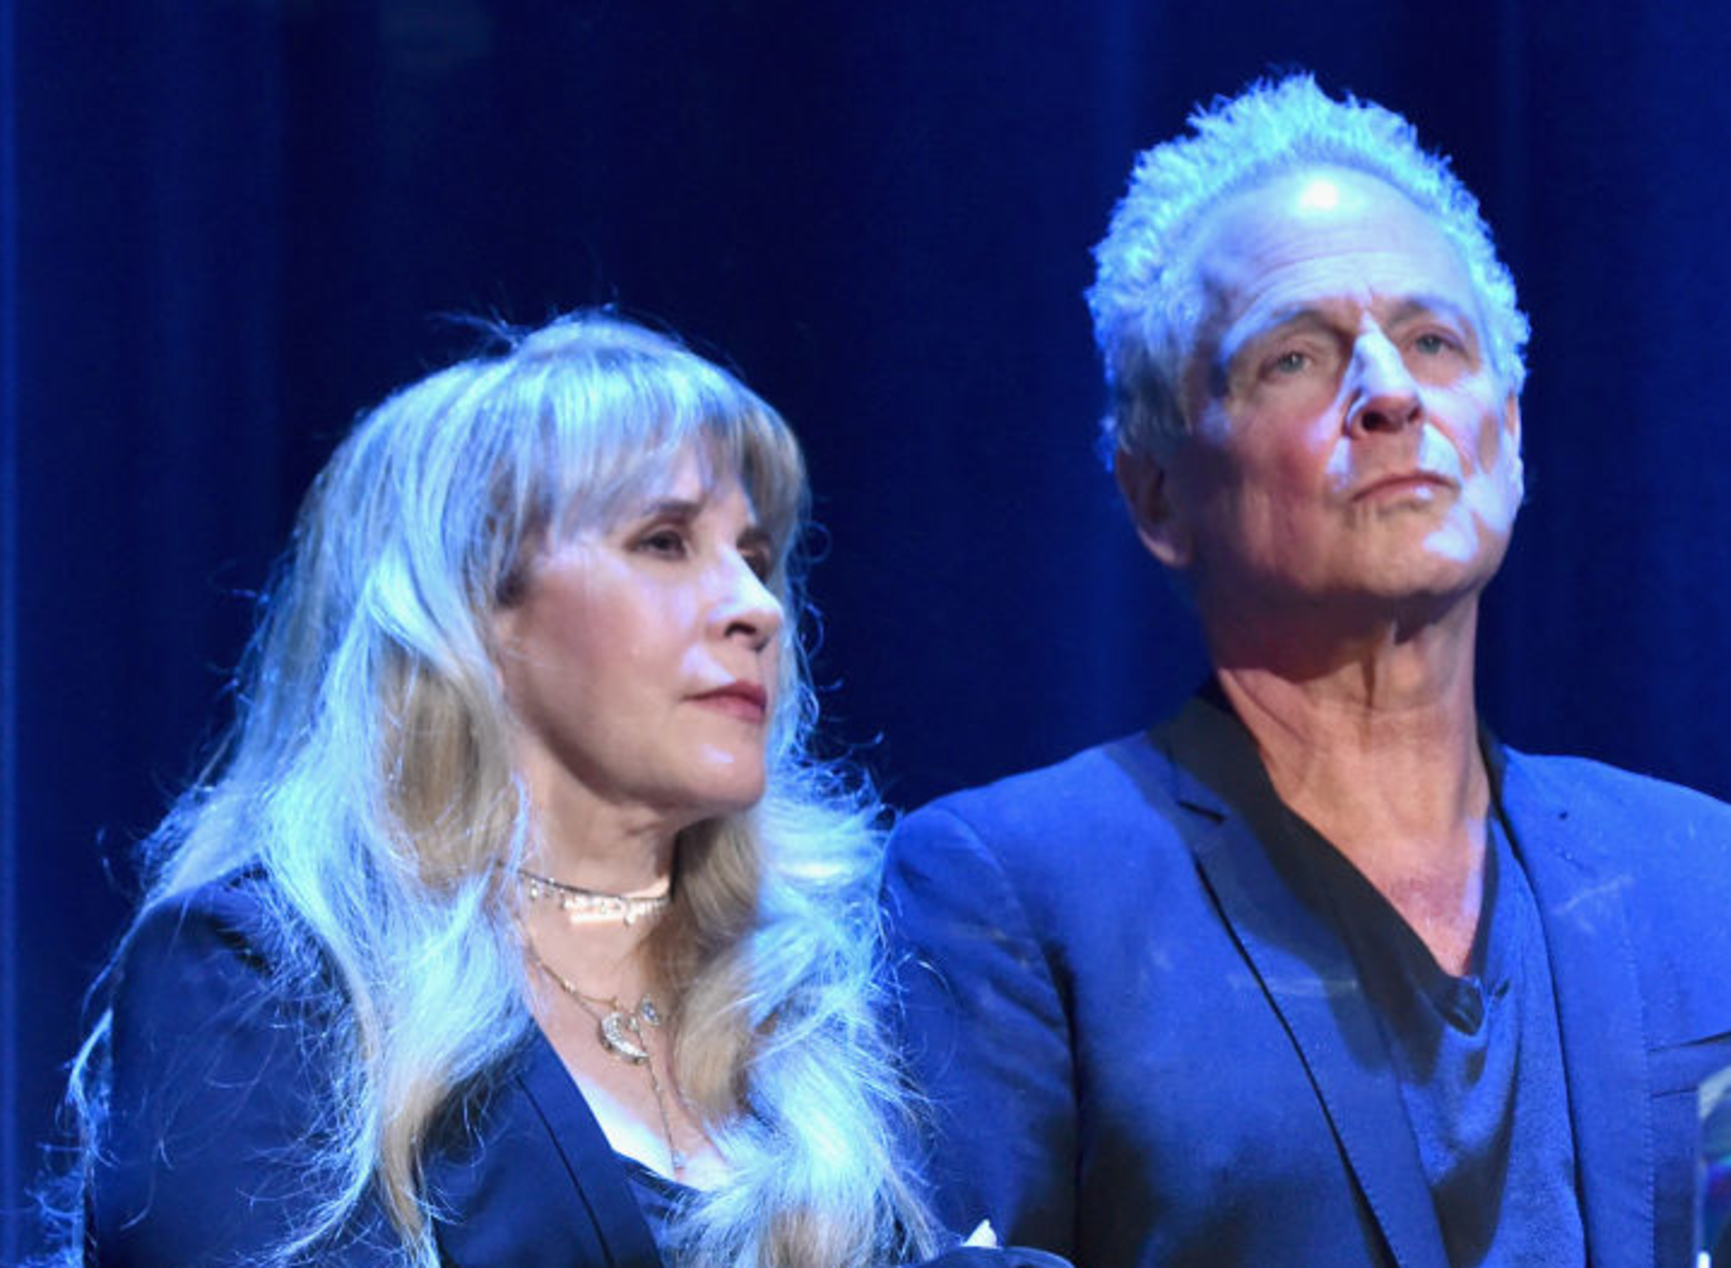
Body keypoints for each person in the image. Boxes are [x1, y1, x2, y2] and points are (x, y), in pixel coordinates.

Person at [885, 78, 1731, 1267]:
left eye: (1432, 342)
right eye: (1294, 356)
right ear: (1155, 492)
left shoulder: (1728, 890)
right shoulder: (1007, 892)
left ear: (1509, 435)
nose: (1390, 393)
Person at [42, 313, 1062, 1267]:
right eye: (664, 541)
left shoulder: (830, 1006)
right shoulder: (265, 981)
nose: (756, 606)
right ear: (470, 610)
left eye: (756, 558)